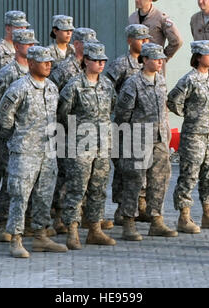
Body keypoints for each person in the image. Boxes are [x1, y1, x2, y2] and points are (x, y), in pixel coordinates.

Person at [0, 46, 68, 258]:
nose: (48, 64)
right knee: (20, 196)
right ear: (31, 63)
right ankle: (16, 239)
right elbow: (3, 115)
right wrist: (18, 135)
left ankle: (40, 236)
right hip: (25, 152)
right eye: (43, 61)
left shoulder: (52, 88)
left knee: (44, 195)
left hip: (47, 152)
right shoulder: (19, 87)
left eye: (50, 61)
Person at [114, 43, 178, 241]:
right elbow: (122, 114)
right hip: (138, 139)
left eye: (161, 59)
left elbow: (164, 109)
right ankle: (128, 221)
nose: (160, 62)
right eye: (156, 58)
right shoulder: (132, 83)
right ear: (145, 60)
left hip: (159, 138)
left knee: (160, 179)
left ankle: (156, 219)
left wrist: (166, 134)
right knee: (134, 180)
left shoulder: (160, 80)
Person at [58, 43, 117, 250]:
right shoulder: (74, 85)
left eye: (103, 61)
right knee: (76, 188)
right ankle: (72, 230)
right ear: (86, 61)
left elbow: (112, 107)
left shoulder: (107, 85)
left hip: (102, 146)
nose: (101, 64)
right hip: (80, 146)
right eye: (97, 60)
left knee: (98, 188)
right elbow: (63, 114)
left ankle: (94, 229)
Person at [0, 29, 38, 242]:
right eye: (27, 45)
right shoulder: (7, 73)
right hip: (5, 136)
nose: (31, 48)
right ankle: (3, 222)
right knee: (9, 177)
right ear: (16, 47)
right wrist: (7, 122)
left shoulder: (35, 72)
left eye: (34, 45)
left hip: (28, 138)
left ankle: (24, 221)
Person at [49, 27, 102, 234]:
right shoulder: (63, 69)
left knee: (88, 178)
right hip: (65, 132)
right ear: (77, 45)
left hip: (88, 136)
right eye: (88, 44)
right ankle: (59, 216)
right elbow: (55, 100)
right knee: (65, 177)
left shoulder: (92, 70)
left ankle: (86, 216)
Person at [168, 40, 209, 234]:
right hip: (194, 135)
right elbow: (173, 100)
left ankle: (208, 214)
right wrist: (188, 114)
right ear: (198, 57)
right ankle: (184, 216)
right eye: (208, 54)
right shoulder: (189, 79)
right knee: (189, 175)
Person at [0, 11, 29, 225]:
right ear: (8, 28)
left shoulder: (28, 55)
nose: (21, 31)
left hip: (17, 125)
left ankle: (6, 209)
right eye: (17, 27)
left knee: (12, 165)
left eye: (24, 28)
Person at [105, 24, 152, 226]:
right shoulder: (120, 64)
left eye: (146, 39)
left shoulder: (149, 65)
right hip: (124, 125)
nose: (144, 43)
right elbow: (107, 90)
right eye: (140, 39)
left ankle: (139, 204)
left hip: (144, 126)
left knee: (143, 167)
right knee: (124, 168)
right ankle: (120, 207)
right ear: (129, 41)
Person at [129, 0, 183, 73]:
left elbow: (177, 41)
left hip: (154, 68)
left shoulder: (161, 18)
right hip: (135, 67)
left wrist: (162, 57)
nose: (137, 0)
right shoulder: (132, 18)